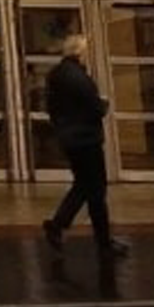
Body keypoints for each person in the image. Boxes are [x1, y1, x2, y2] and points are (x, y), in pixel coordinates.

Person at [41, 34, 125, 263]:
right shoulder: (79, 77)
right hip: (86, 139)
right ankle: (103, 242)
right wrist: (104, 104)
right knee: (96, 190)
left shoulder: (55, 75)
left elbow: (52, 106)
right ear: (79, 53)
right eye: (86, 51)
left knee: (83, 185)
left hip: (68, 138)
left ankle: (58, 224)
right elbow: (94, 107)